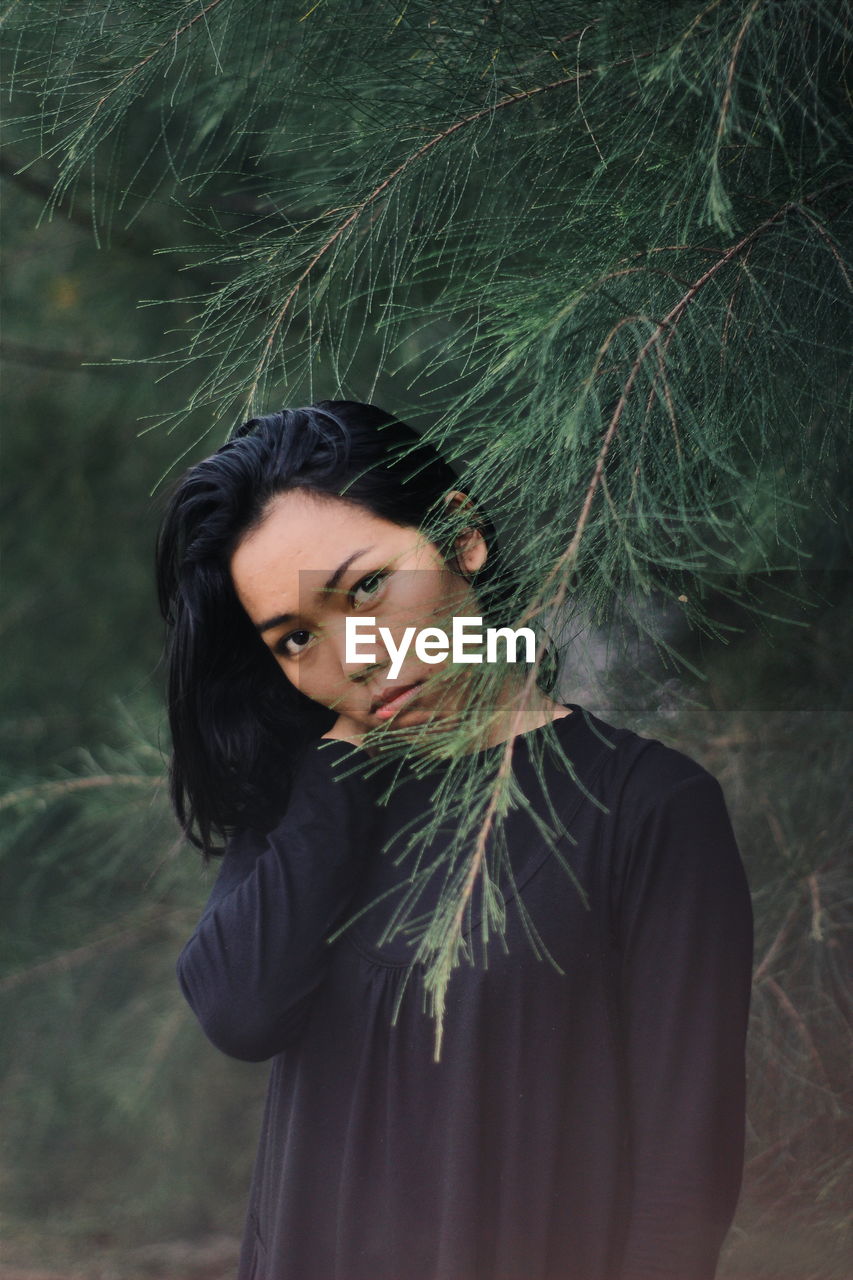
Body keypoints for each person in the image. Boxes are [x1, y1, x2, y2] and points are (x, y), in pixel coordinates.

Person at [157, 400, 754, 1280]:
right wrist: (343, 764)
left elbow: (682, 1179)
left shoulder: (647, 808)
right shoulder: (307, 802)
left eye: (363, 587)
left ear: (460, 536)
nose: (351, 657)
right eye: (295, 639)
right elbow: (242, 1010)